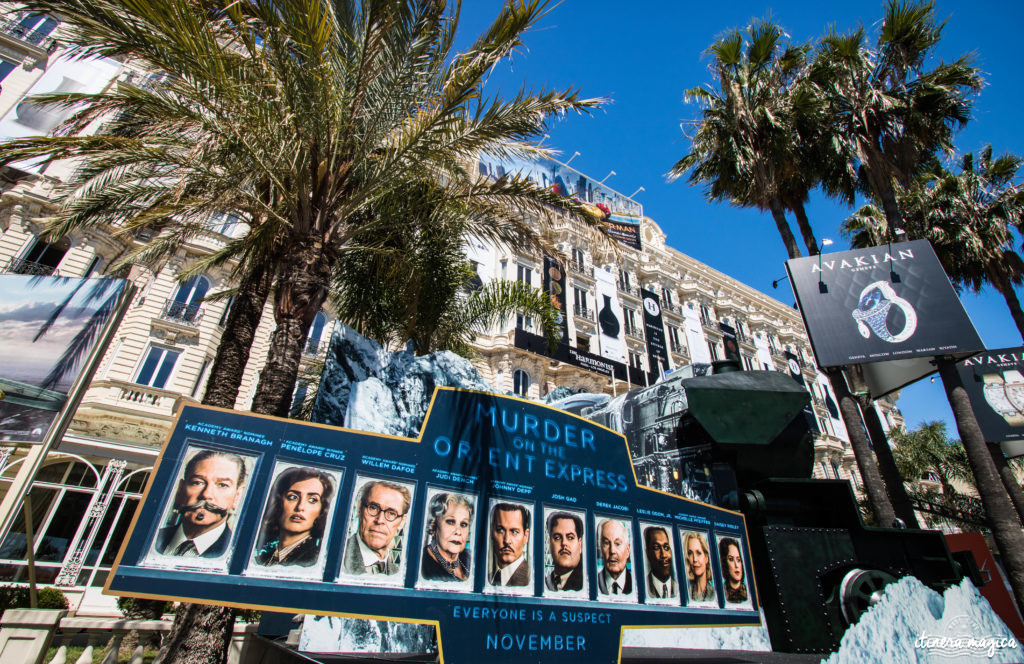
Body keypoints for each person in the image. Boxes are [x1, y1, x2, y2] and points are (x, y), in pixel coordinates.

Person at [155, 450, 247, 558]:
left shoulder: (241, 555)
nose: (206, 494)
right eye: (197, 482)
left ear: (237, 497)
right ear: (180, 490)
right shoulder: (151, 538)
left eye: (222, 485)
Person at [253, 467, 334, 567]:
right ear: (279, 502)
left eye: (312, 500)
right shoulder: (263, 558)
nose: (300, 507)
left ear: (321, 510)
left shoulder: (313, 560)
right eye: (293, 497)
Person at [341, 480, 410, 575]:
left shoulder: (396, 573)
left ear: (402, 521)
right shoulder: (338, 558)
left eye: (391, 513)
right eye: (373, 508)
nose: (380, 520)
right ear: (359, 509)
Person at [421, 493, 473, 582]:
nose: (458, 532)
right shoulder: (422, 563)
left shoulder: (470, 558)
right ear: (434, 525)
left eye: (463, 524)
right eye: (450, 522)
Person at [488, 503, 530, 586]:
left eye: (514, 532)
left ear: (526, 536)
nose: (507, 540)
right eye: (500, 530)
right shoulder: (489, 577)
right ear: (492, 533)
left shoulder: (530, 580)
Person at [545, 512, 583, 592]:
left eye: (570, 537)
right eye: (557, 538)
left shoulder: (585, 583)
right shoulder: (545, 582)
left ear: (580, 545)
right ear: (550, 544)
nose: (564, 543)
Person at [597, 518, 632, 595]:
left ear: (628, 550)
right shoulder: (593, 581)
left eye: (617, 544)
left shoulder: (636, 582)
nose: (612, 551)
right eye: (606, 543)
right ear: (601, 549)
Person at [644, 526, 677, 599]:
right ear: (648, 553)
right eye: (656, 548)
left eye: (666, 548)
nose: (664, 555)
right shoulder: (643, 586)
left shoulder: (679, 587)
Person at [684, 531, 715, 602]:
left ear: (706, 558)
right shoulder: (686, 590)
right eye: (690, 553)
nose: (694, 559)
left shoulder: (714, 594)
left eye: (698, 553)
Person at [719, 537, 748, 603]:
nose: (736, 565)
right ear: (724, 563)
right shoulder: (722, 592)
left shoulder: (748, 593)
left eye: (738, 560)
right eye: (731, 559)